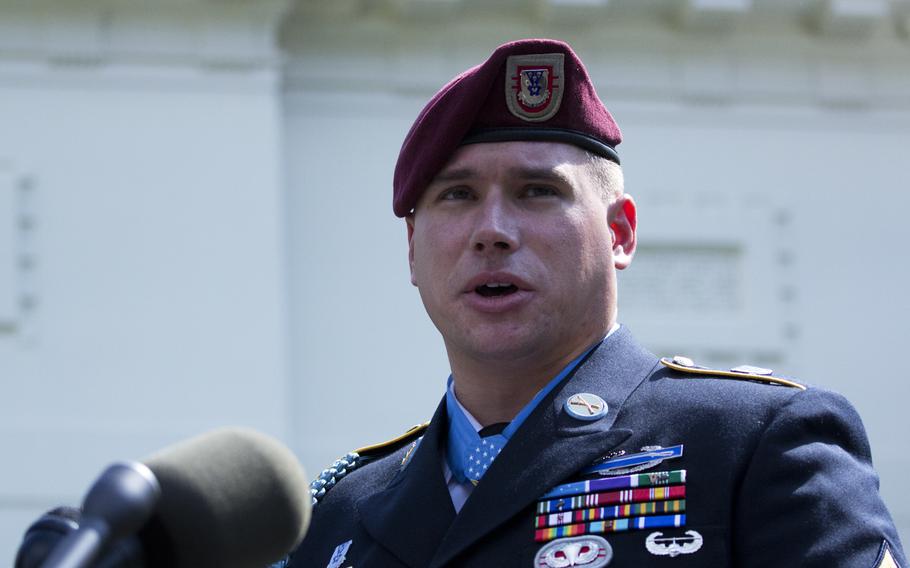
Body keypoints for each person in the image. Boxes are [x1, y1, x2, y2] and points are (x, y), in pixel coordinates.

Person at [287, 39, 905, 568]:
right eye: (457, 194)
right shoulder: (340, 512)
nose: (492, 229)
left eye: (536, 191)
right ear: (413, 248)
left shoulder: (752, 445)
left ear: (620, 233)